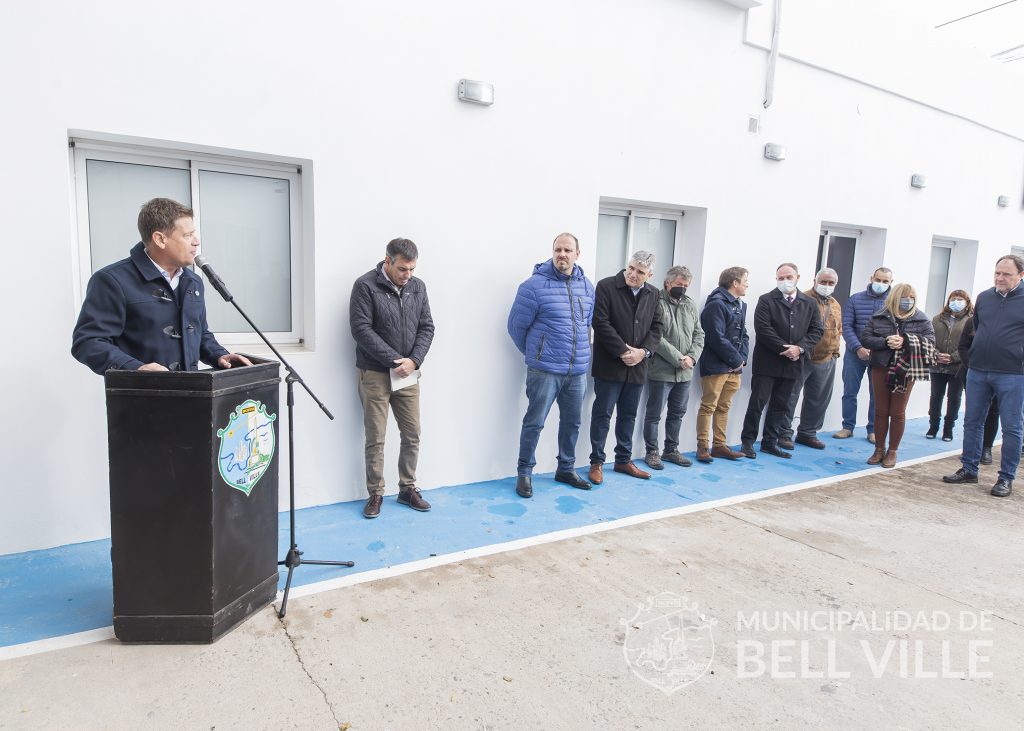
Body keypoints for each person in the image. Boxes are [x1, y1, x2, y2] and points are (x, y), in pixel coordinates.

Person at [72, 197, 251, 375]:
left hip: (193, 396)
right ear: (160, 239)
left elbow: (200, 333)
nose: (196, 241)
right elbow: (88, 341)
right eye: (187, 235)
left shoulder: (193, 281)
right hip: (140, 398)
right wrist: (135, 368)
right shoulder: (112, 280)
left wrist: (219, 355)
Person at [350, 238, 435, 518]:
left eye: (411, 269)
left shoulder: (418, 287)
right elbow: (361, 330)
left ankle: (407, 488)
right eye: (402, 269)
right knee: (376, 437)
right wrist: (394, 360)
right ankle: (376, 493)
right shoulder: (365, 286)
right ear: (387, 261)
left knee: (412, 434)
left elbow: (427, 327)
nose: (407, 275)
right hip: (374, 373)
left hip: (408, 375)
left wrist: (414, 361)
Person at [508, 233, 596, 498]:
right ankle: (525, 472)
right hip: (544, 370)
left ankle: (566, 468)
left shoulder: (587, 286)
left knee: (572, 422)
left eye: (568, 250)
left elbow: (587, 323)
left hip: (577, 371)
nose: (562, 254)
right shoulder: (533, 287)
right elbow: (515, 327)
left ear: (577, 254)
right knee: (534, 422)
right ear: (552, 252)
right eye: (558, 249)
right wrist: (537, 353)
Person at [944, 255, 1024, 497]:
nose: (1000, 278)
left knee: (1011, 428)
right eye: (997, 273)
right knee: (972, 421)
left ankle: (1005, 478)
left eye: (1006, 274)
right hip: (979, 371)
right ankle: (969, 469)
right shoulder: (984, 298)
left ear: (1020, 275)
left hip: (1013, 374)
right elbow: (974, 331)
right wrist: (972, 361)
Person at [588, 251, 663, 483]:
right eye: (631, 268)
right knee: (602, 415)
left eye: (640, 272)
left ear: (649, 274)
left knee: (628, 416)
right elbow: (600, 322)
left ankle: (623, 460)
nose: (633, 274)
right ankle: (596, 462)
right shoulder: (606, 286)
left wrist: (643, 353)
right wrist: (623, 351)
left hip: (638, 367)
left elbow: (658, 327)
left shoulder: (654, 293)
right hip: (610, 365)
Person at [739, 263, 824, 459]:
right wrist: (785, 348)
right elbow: (763, 328)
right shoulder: (766, 300)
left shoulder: (809, 303)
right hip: (767, 362)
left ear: (797, 277)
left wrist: (799, 348)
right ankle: (748, 442)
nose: (785, 281)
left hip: (794, 363)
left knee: (781, 405)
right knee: (757, 403)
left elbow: (816, 330)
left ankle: (770, 442)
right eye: (781, 278)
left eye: (788, 277)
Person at [860, 284, 935, 469]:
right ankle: (879, 449)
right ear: (894, 298)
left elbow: (931, 341)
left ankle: (892, 451)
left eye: (911, 297)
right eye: (904, 297)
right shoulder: (879, 315)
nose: (907, 300)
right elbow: (866, 338)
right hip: (881, 366)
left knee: (897, 412)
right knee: (880, 410)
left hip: (907, 369)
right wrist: (885, 341)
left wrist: (906, 340)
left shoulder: (921, 318)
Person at [642, 266, 704, 470]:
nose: (683, 289)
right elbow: (655, 336)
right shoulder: (655, 302)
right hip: (661, 370)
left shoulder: (690, 304)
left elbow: (699, 334)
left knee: (677, 413)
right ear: (668, 283)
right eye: (679, 284)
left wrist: (692, 358)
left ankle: (671, 450)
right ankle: (652, 452)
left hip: (685, 373)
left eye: (686, 285)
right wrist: (679, 358)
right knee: (654, 415)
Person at [779, 267, 842, 450]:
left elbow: (838, 331)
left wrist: (835, 353)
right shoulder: (803, 300)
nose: (827, 286)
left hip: (826, 359)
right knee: (790, 397)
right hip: (803, 358)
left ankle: (808, 433)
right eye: (823, 282)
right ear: (815, 281)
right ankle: (783, 433)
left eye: (831, 283)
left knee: (818, 398)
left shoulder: (836, 304)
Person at [695, 267, 750, 463]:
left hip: (734, 368)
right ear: (734, 283)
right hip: (716, 366)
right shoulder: (716, 304)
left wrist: (741, 360)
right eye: (745, 281)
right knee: (708, 406)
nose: (747, 285)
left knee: (724, 406)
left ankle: (719, 445)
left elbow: (744, 335)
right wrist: (736, 360)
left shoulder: (740, 305)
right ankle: (703, 446)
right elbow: (715, 337)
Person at [835, 268, 894, 443]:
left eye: (885, 281)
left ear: (891, 282)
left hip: (881, 355)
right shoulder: (856, 299)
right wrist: (858, 347)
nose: (881, 284)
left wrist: (879, 347)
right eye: (878, 279)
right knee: (849, 391)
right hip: (855, 354)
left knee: (877, 394)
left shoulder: (893, 303)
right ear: (871, 278)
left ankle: (873, 430)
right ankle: (847, 427)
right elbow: (847, 326)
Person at [927, 290, 972, 442]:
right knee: (935, 397)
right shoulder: (937, 319)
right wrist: (936, 354)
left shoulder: (971, 320)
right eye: (954, 299)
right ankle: (933, 426)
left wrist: (953, 357)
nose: (956, 302)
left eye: (960, 299)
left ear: (966, 302)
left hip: (958, 368)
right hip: (937, 366)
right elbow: (929, 339)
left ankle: (948, 429)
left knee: (954, 398)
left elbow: (971, 345)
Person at [956, 317, 1000, 465]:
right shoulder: (972, 322)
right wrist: (973, 367)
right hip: (973, 373)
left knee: (993, 412)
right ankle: (970, 450)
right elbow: (963, 347)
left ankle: (986, 448)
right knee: (973, 415)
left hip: (1000, 374)